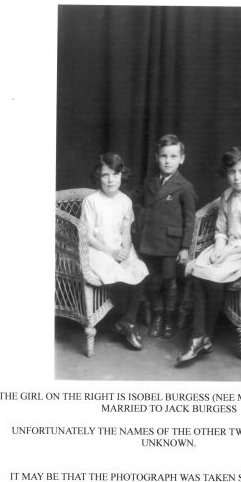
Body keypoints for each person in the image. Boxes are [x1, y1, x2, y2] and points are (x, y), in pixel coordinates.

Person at [177, 146, 241, 365]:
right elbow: (221, 230)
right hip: (227, 247)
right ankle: (200, 336)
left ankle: (202, 335)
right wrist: (219, 249)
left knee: (212, 274)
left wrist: (226, 252)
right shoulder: (226, 196)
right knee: (199, 269)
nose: (237, 177)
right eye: (232, 172)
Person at [81, 152, 149, 350]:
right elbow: (87, 236)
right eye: (105, 175)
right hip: (97, 250)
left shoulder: (125, 201)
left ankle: (127, 321)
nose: (110, 180)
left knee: (139, 269)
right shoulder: (92, 200)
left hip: (120, 249)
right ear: (98, 176)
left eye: (115, 174)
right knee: (117, 272)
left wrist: (125, 251)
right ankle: (125, 322)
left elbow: (126, 232)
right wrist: (111, 253)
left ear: (122, 175)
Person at [137, 134, 197, 339]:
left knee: (169, 282)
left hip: (171, 244)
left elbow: (190, 220)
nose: (168, 161)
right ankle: (158, 316)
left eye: (173, 156)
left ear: (182, 159)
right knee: (153, 282)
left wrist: (185, 247)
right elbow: (136, 202)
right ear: (157, 157)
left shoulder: (185, 186)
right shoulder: (150, 182)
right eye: (164, 156)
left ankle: (169, 319)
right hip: (150, 241)